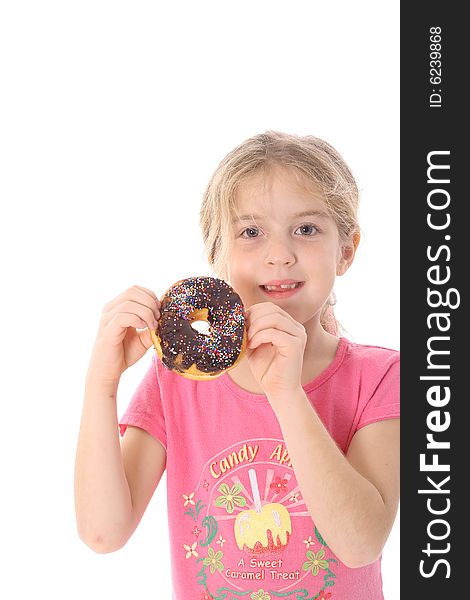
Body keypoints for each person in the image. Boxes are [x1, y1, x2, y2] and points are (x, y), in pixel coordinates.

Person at [74, 131, 400, 599]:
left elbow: (359, 544)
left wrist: (285, 394)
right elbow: (103, 533)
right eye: (250, 232)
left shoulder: (380, 377)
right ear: (216, 257)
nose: (279, 254)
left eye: (306, 229)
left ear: (347, 250)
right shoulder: (177, 379)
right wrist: (100, 385)